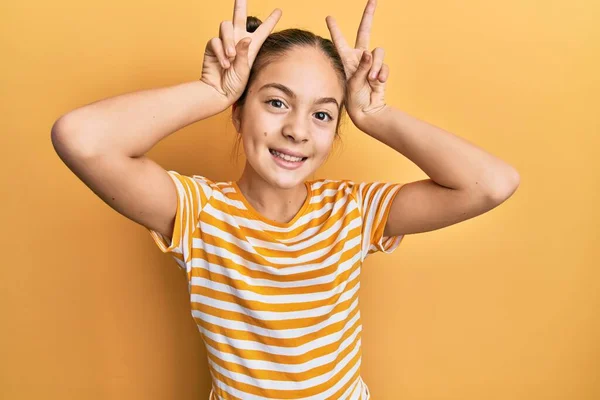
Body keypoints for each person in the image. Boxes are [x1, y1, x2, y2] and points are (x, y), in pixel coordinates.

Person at [50, 0, 520, 398]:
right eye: (276, 102)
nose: (296, 129)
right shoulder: (198, 213)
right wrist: (210, 90)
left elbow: (491, 183)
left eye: (321, 114)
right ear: (238, 112)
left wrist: (374, 113)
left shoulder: (354, 212)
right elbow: (81, 138)